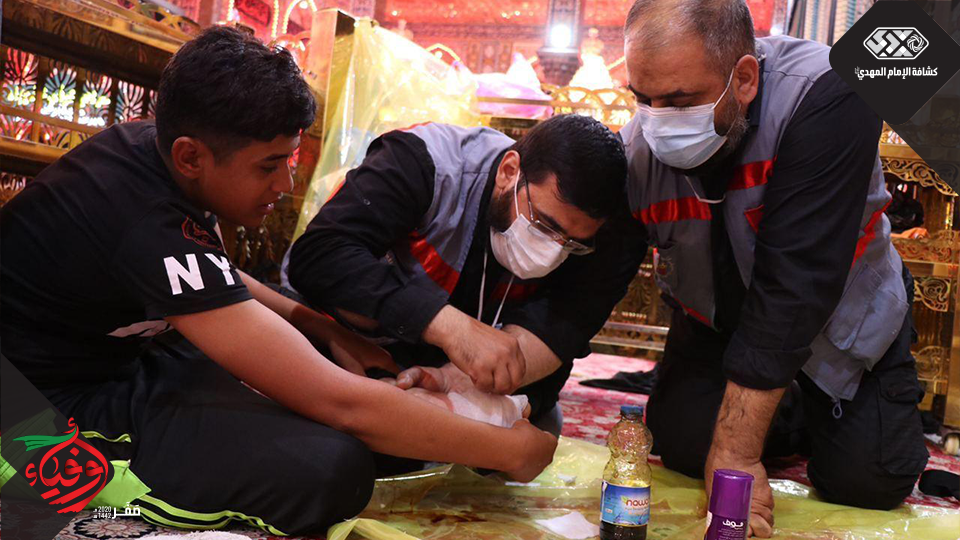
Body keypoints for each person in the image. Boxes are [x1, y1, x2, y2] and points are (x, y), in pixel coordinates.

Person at [0, 27, 557, 536]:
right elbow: (339, 403)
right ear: (191, 156)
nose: (286, 183)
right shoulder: (139, 214)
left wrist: (328, 331)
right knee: (329, 469)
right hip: (33, 406)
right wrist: (508, 451)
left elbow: (211, 275)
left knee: (341, 393)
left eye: (290, 160)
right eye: (269, 165)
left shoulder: (166, 154)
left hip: (126, 359)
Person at [618, 0, 928, 536]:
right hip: (718, 324)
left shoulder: (827, 93)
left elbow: (797, 282)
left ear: (743, 79)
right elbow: (599, 275)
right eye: (642, 100)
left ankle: (796, 403)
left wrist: (737, 451)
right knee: (685, 448)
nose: (657, 122)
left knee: (870, 479)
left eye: (679, 101)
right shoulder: (635, 152)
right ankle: (783, 407)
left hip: (839, 317)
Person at [285, 115, 640, 429]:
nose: (551, 250)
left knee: (534, 428)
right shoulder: (422, 161)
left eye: (571, 243)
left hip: (450, 368)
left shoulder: (603, 232)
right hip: (347, 333)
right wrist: (448, 326)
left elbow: (560, 329)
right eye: (543, 225)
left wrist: (455, 384)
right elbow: (318, 257)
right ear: (509, 171)